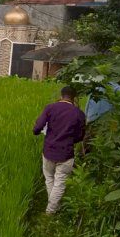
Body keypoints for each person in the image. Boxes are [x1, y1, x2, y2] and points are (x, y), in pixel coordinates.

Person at [33, 86, 86, 215]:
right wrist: (69, 140)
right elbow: (80, 136)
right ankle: (51, 210)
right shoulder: (78, 113)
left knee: (49, 178)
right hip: (66, 153)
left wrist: (38, 131)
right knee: (60, 183)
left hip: (49, 150)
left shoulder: (50, 108)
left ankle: (51, 210)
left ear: (61, 95)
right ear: (74, 98)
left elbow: (37, 128)